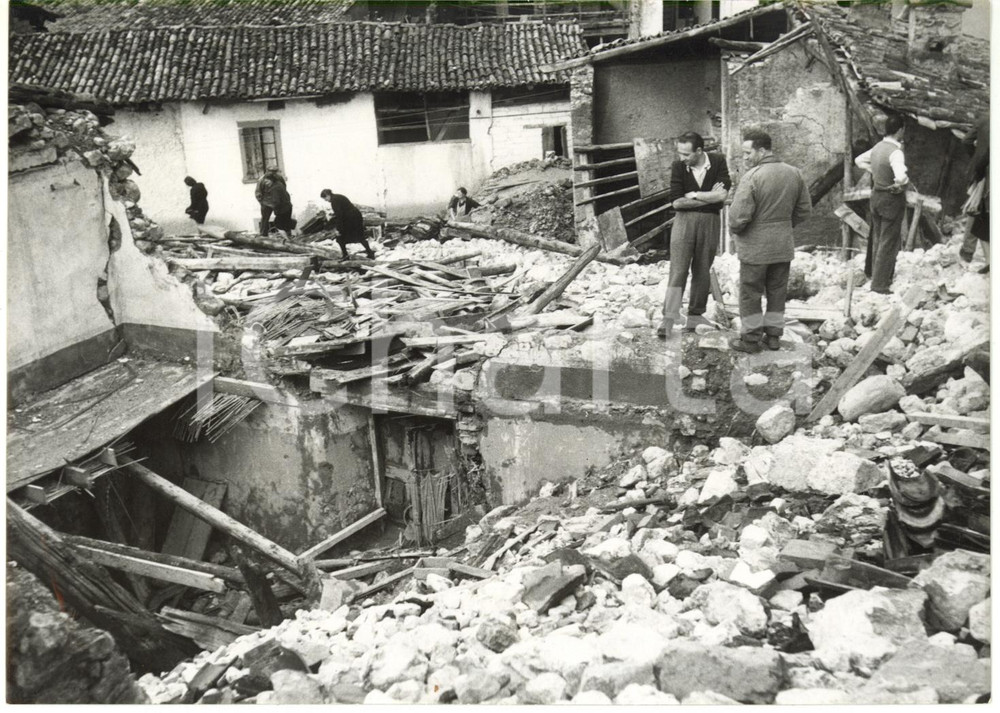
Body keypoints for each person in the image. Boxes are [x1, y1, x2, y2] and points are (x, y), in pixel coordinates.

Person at [728, 129, 812, 353]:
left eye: (748, 153)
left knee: (750, 293)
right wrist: (784, 226)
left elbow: (737, 218)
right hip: (782, 246)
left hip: (755, 248)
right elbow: (804, 210)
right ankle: (773, 337)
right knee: (777, 292)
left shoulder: (752, 177)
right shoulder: (794, 173)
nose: (745, 158)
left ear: (762, 150)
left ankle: (751, 340)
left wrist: (737, 231)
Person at [657, 131, 732, 338]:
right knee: (678, 270)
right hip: (684, 222)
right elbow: (677, 202)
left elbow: (722, 195)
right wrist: (710, 199)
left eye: (686, 154)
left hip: (710, 223)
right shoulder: (678, 167)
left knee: (702, 269)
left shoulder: (718, 161)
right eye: (680, 153)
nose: (682, 158)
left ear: (699, 151)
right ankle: (668, 318)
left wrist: (695, 195)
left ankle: (695, 315)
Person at [854, 114, 910, 293]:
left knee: (878, 238)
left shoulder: (877, 147)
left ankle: (875, 274)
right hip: (890, 199)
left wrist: (874, 171)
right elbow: (901, 177)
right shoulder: (896, 152)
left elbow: (858, 160)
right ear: (900, 130)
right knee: (889, 242)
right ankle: (879, 284)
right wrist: (900, 182)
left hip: (876, 197)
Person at [960, 112, 989, 273]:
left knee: (976, 207)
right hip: (986, 170)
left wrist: (976, 157)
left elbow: (966, 141)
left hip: (983, 171)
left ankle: (967, 252)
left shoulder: (984, 119)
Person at [320, 189, 375, 260]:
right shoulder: (338, 197)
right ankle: (369, 252)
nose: (325, 200)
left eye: (325, 198)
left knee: (340, 237)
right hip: (354, 217)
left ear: (328, 195)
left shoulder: (334, 201)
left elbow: (340, 216)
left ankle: (345, 255)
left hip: (351, 219)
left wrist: (339, 229)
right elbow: (341, 212)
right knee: (359, 236)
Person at [255, 168, 291, 237]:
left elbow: (283, 187)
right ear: (267, 171)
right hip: (266, 203)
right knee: (265, 219)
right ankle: (263, 235)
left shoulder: (279, 178)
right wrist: (262, 202)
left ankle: (287, 235)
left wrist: (281, 198)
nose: (273, 173)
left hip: (277, 202)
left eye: (274, 172)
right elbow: (258, 192)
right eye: (271, 172)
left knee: (282, 218)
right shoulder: (261, 180)